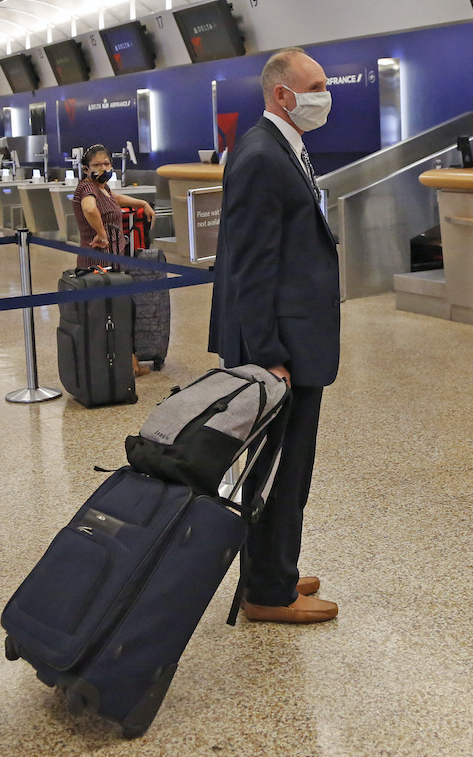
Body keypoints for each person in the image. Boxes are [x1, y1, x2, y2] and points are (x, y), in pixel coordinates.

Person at [208, 47, 340, 625]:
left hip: (293, 340)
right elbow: (251, 264)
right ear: (282, 95)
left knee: (287, 467)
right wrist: (268, 355)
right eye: (315, 87)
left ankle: (274, 567)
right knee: (281, 471)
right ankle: (269, 591)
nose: (324, 96)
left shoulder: (283, 147)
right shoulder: (263, 155)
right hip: (281, 348)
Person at [72, 143, 156, 378]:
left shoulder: (103, 188)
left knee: (118, 311)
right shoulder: (86, 188)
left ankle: (129, 363)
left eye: (106, 163)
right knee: (108, 313)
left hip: (113, 261)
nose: (103, 168)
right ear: (86, 169)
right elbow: (90, 209)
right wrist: (101, 234)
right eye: (97, 165)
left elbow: (115, 199)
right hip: (97, 262)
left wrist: (142, 203)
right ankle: (119, 365)